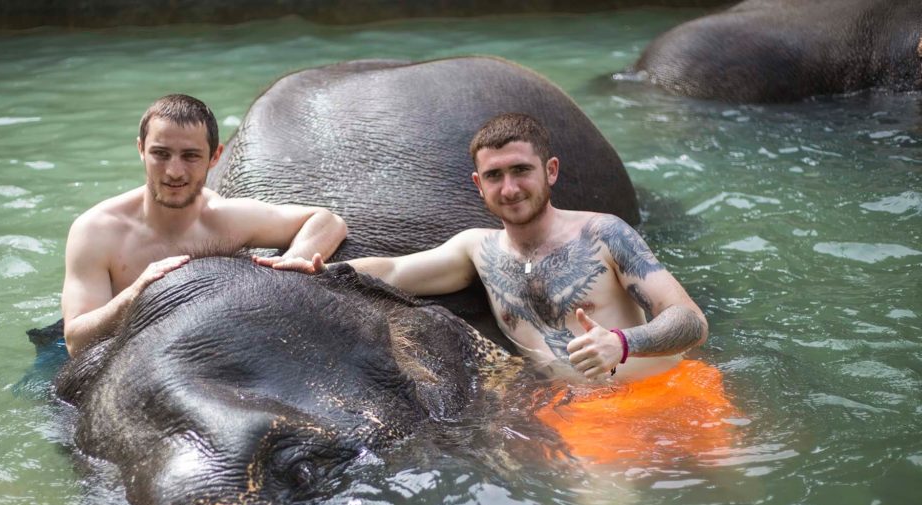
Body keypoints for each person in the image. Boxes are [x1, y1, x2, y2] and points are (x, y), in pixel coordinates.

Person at [260, 113, 736, 461]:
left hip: (672, 387)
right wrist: (313, 267)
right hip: (585, 412)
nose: (509, 188)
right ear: (478, 184)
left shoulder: (604, 233)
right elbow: (396, 271)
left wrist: (623, 342)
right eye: (495, 176)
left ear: (549, 171)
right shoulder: (476, 251)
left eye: (520, 170)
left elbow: (690, 321)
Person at [60, 93, 347, 356]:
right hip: (119, 345)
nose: (174, 171)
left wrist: (293, 262)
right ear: (141, 150)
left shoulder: (227, 218)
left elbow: (327, 221)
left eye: (191, 156)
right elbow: (75, 343)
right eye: (160, 154)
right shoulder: (96, 230)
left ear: (215, 157)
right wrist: (133, 296)